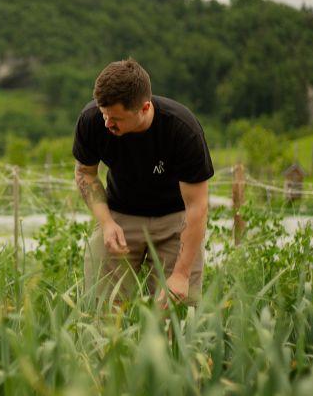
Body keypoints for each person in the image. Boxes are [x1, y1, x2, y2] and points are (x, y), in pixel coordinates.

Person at [72, 58, 214, 305]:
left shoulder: (182, 129)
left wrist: (181, 274)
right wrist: (106, 223)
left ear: (145, 108)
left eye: (115, 118)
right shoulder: (92, 119)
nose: (107, 123)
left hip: (175, 220)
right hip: (119, 215)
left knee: (175, 313)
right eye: (104, 114)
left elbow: (197, 207)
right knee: (101, 308)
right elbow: (85, 173)